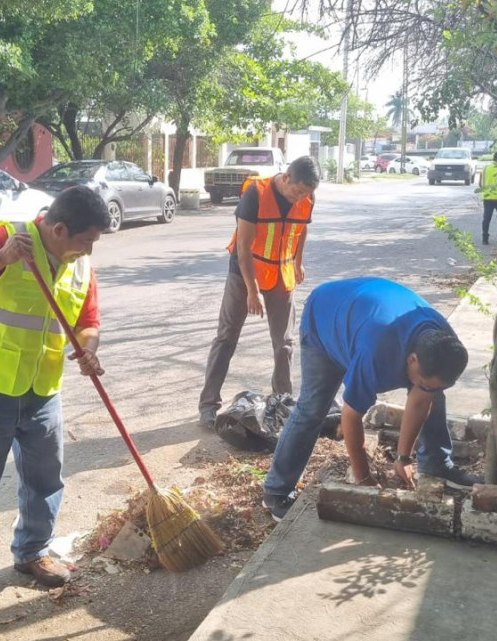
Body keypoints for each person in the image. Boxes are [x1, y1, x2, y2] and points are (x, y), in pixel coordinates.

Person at [0, 187, 110, 611]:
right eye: (86, 239)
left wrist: (90, 348)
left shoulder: (80, 265)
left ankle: (33, 550)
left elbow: (88, 321)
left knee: (45, 477)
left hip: (42, 389)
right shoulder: (3, 239)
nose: (90, 249)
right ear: (58, 229)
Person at [261, 277, 478, 521]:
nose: (424, 391)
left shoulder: (445, 345)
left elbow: (422, 400)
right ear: (412, 360)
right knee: (313, 407)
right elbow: (351, 416)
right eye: (423, 384)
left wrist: (403, 458)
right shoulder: (376, 353)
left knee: (433, 397)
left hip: (362, 315)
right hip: (324, 319)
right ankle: (276, 491)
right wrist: (364, 478)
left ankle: (436, 463)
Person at [198, 156, 321, 429]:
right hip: (245, 273)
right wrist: (252, 292)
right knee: (226, 338)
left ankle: (283, 403)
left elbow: (301, 232)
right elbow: (243, 248)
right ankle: (208, 405)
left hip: (280, 273)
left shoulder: (307, 199)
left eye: (306, 194)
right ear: (286, 177)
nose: (300, 198)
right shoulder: (256, 194)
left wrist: (298, 261)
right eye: (298, 191)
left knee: (284, 344)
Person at [477, 151, 497, 244]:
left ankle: (485, 238)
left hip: (487, 198)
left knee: (486, 218)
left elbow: (480, 183)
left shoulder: (485, 168)